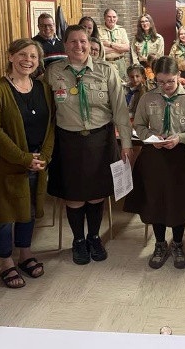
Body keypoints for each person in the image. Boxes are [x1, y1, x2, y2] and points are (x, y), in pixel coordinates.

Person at [45, 25, 132, 265]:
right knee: (73, 195)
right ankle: (78, 240)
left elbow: (120, 110)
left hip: (100, 140)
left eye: (83, 41)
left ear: (90, 43)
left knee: (96, 195)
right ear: (65, 45)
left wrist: (126, 144)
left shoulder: (106, 71)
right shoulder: (53, 72)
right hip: (68, 141)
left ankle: (94, 237)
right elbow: (47, 111)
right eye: (73, 41)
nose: (79, 46)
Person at [0, 39, 54, 289]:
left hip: (37, 162)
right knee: (5, 215)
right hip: (7, 165)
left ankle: (25, 254)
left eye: (33, 56)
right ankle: (6, 262)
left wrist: (44, 156)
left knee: (28, 211)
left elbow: (51, 125)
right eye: (22, 54)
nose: (28, 60)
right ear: (11, 56)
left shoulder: (43, 88)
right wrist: (24, 159)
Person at [124, 56, 185, 270]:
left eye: (170, 81)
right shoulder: (147, 98)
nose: (166, 86)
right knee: (155, 201)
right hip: (154, 156)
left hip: (180, 157)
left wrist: (180, 138)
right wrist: (151, 137)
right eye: (160, 81)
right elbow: (139, 125)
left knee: (179, 203)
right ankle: (160, 244)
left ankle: (177, 244)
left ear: (178, 76)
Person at [98, 8, 131, 80]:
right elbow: (99, 50)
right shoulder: (98, 30)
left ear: (117, 18)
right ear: (104, 17)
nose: (112, 19)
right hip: (105, 62)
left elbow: (127, 48)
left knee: (122, 83)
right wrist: (119, 49)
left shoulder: (122, 30)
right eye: (109, 17)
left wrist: (110, 44)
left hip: (120, 62)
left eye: (114, 17)